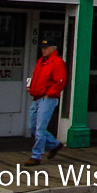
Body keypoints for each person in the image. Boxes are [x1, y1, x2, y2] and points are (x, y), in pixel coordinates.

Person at [24, 38, 67, 166]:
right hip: (37, 97)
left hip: (47, 98)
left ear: (53, 48)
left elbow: (60, 81)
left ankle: (36, 156)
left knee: (40, 128)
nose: (43, 50)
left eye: (46, 47)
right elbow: (36, 78)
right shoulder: (41, 62)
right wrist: (31, 88)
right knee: (33, 127)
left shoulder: (57, 62)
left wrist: (50, 94)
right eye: (42, 48)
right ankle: (54, 144)